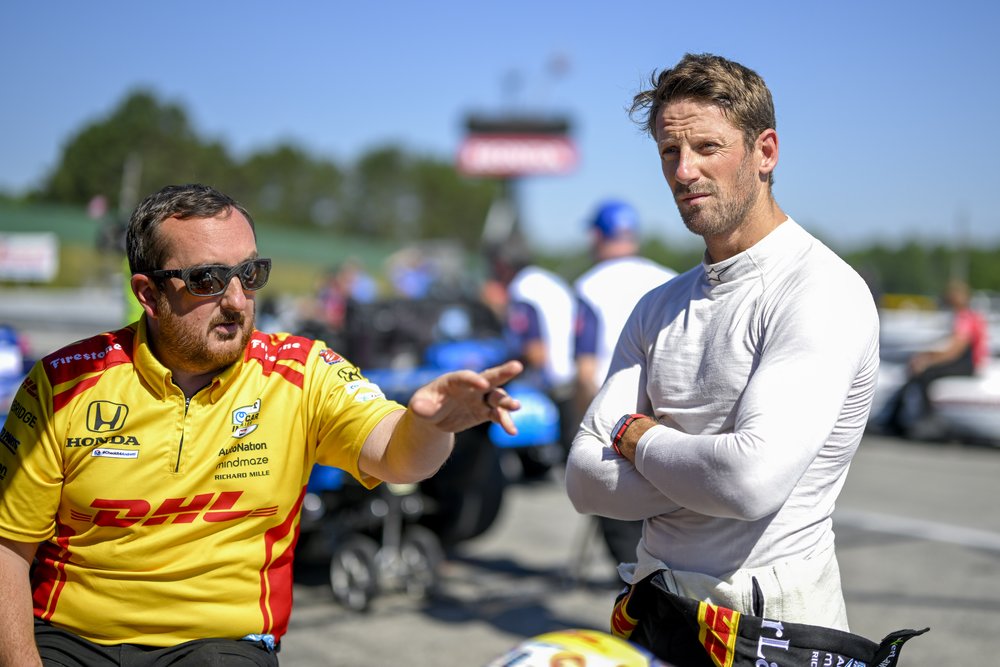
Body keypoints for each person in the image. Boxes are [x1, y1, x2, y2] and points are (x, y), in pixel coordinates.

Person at [0, 183, 523, 666]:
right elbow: (7, 549)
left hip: (217, 646)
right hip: (69, 637)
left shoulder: (303, 371)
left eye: (249, 275)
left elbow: (397, 456)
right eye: (207, 279)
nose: (236, 301)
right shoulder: (63, 382)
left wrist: (430, 426)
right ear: (147, 293)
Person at [564, 51, 880, 644]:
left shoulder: (820, 289)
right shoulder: (657, 306)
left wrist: (636, 438)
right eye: (669, 151)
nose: (684, 171)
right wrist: (706, 468)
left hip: (772, 625)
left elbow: (747, 483)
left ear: (766, 152)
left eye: (707, 147)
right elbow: (584, 482)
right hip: (656, 612)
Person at [571, 200, 676, 564]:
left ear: (598, 236)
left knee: (626, 545)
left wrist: (585, 427)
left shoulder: (591, 285)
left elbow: (586, 371)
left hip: (615, 423)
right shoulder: (669, 278)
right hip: (669, 420)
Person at [488, 243, 576, 468]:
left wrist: (499, 371)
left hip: (552, 385)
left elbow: (535, 351)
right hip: (570, 376)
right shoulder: (547, 280)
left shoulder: (523, 289)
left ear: (503, 265)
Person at [882, 278, 989, 436]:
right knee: (920, 372)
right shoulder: (969, 316)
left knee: (926, 374)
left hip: (968, 364)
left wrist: (927, 361)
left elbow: (955, 350)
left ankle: (926, 418)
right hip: (967, 362)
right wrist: (927, 356)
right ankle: (898, 417)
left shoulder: (965, 318)